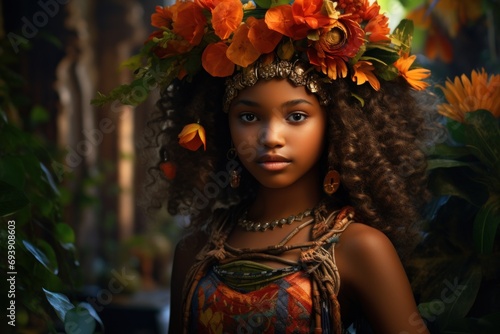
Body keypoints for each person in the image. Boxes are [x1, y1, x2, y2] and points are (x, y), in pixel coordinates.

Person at [97, 0, 435, 332]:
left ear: (336, 125)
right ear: (222, 126)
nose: (270, 137)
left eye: (297, 116)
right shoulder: (194, 249)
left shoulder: (360, 248)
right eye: (248, 116)